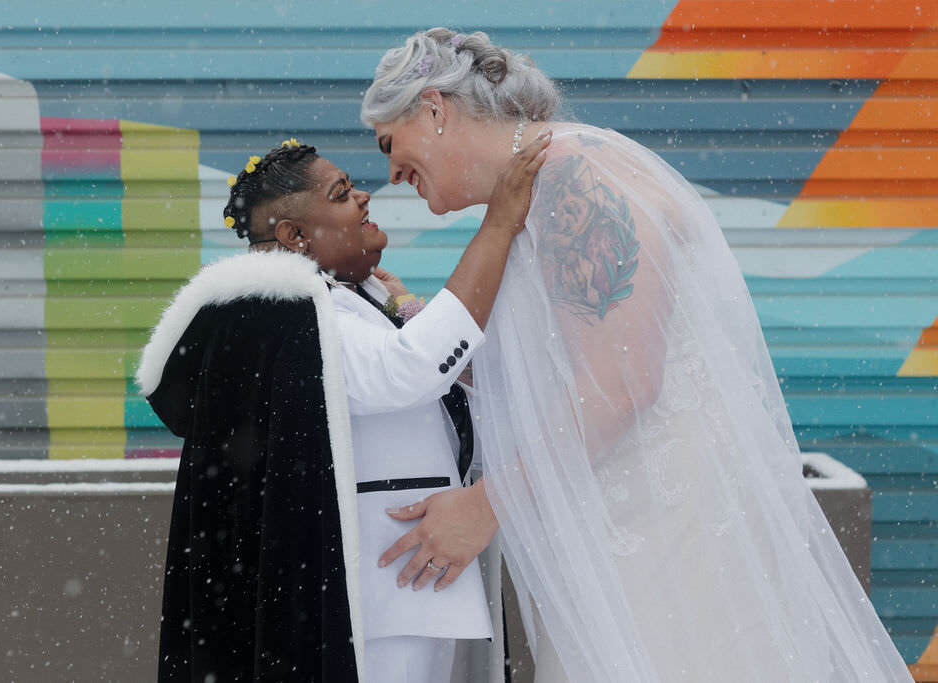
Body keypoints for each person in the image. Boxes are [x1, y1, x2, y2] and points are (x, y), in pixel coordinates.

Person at [360, 28, 913, 682]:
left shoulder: (572, 174)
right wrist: (412, 321)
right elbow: (547, 361)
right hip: (611, 518)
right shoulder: (531, 191)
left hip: (665, 526)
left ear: (435, 108)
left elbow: (622, 380)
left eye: (391, 143)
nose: (391, 172)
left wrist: (485, 506)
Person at [136, 135, 548, 682]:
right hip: (387, 592)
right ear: (295, 235)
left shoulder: (339, 307)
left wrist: (402, 308)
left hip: (413, 587)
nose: (363, 198)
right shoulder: (300, 321)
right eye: (341, 193)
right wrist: (497, 227)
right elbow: (412, 369)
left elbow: (436, 385)